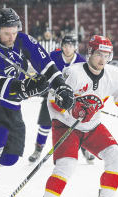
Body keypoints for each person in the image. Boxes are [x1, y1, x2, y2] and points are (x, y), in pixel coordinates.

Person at [31, 35, 118, 197]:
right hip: (66, 126)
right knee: (67, 165)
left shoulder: (115, 74)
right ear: (89, 54)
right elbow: (53, 100)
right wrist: (72, 109)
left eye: (106, 55)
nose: (102, 60)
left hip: (92, 126)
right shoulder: (73, 73)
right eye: (98, 55)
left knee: (116, 157)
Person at [0, 8, 76, 197]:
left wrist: (61, 87)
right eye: (6, 33)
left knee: (9, 158)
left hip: (11, 101)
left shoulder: (23, 40)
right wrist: (26, 88)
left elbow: (46, 64)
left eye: (14, 32)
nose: (11, 37)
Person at [28, 34, 95, 165]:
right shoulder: (53, 56)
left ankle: (85, 149)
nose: (67, 49)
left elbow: (86, 82)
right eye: (65, 46)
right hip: (52, 97)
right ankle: (38, 150)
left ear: (75, 47)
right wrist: (40, 84)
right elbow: (43, 71)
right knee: (45, 124)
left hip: (72, 99)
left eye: (70, 46)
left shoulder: (81, 61)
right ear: (62, 47)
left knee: (78, 124)